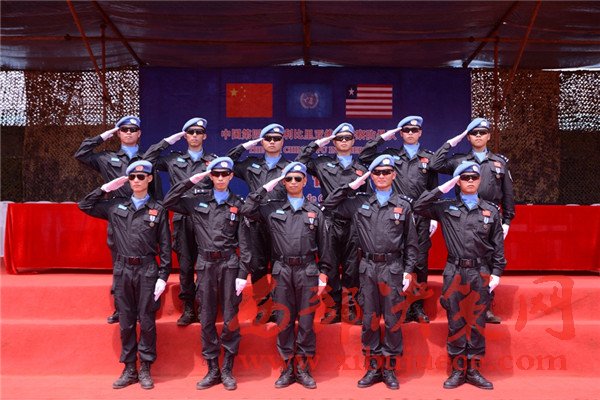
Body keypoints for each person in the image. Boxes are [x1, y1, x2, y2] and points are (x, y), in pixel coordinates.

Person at [322, 154, 418, 390]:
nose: (382, 176)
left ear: (394, 175)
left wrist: (408, 271)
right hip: (367, 268)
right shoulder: (359, 202)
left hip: (393, 267)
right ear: (370, 176)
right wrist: (351, 186)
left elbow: (411, 243)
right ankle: (373, 366)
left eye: (386, 172)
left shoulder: (403, 205)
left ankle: (390, 368)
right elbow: (329, 204)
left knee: (393, 319)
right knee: (370, 318)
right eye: (377, 173)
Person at [78, 160, 172, 390]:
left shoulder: (158, 209)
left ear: (149, 179)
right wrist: (105, 189)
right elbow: (84, 205)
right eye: (132, 177)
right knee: (127, 322)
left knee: (147, 321)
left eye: (141, 177)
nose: (136, 181)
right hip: (122, 270)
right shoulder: (115, 206)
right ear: (127, 181)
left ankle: (146, 368)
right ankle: (130, 368)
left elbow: (165, 247)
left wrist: (163, 276)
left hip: (147, 270)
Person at [413, 161, 506, 390]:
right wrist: (442, 188)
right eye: (465, 178)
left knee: (477, 322)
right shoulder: (446, 208)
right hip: (454, 271)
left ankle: (473, 370)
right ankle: (457, 369)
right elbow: (418, 206)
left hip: (480, 271)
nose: (470, 181)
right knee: (456, 321)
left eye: (474, 177)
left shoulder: (491, 211)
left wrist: (496, 272)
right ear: (458, 181)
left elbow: (498, 246)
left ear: (480, 180)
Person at [241, 162, 332, 389]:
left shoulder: (315, 211)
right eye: (288, 179)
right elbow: (247, 209)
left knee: (307, 321)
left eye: (297, 178)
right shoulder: (272, 209)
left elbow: (325, 246)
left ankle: (303, 367)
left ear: (305, 181)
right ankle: (287, 366)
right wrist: (267, 187)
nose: (293, 182)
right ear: (283, 182)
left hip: (307, 270)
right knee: (284, 320)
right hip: (282, 271)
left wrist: (324, 273)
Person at [163, 156, 250, 391]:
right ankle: (212, 368)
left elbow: (245, 243)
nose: (220, 178)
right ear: (210, 176)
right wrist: (192, 180)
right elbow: (169, 201)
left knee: (230, 318)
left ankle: (228, 368)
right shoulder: (196, 201)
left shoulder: (238, 204)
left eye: (225, 174)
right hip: (205, 265)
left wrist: (243, 273)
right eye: (216, 174)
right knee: (207, 317)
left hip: (229, 264)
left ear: (231, 176)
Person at [74, 115, 162, 324]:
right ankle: (121, 309)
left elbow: (157, 192)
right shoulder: (107, 158)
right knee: (121, 264)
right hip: (119, 213)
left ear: (139, 133)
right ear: (118, 133)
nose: (128, 133)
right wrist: (104, 135)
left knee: (147, 260)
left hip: (144, 214)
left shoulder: (147, 159)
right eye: (124, 130)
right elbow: (81, 154)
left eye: (133, 130)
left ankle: (146, 307)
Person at [431, 117, 514, 324]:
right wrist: (453, 141)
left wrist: (507, 220)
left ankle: (485, 307)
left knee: (487, 261)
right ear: (468, 137)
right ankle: (457, 303)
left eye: (482, 133)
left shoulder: (499, 162)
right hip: (464, 214)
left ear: (488, 136)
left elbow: (508, 193)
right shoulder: (459, 161)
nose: (478, 136)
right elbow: (435, 164)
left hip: (490, 216)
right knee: (464, 257)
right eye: (474, 133)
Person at [359, 116, 440, 323]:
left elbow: (433, 189)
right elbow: (365, 156)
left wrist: (432, 216)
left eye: (414, 130)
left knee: (419, 263)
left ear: (420, 132)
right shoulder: (391, 156)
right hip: (393, 215)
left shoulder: (428, 158)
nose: (410, 133)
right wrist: (384, 137)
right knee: (396, 261)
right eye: (406, 130)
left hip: (420, 216)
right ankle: (399, 305)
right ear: (400, 133)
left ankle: (417, 307)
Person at [143, 117, 217, 326]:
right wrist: (168, 141)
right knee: (185, 265)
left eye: (198, 132)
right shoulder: (173, 160)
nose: (194, 136)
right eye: (190, 132)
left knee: (205, 264)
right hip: (182, 217)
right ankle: (188, 307)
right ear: (185, 136)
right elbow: (147, 159)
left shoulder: (212, 161)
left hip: (205, 219)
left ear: (204, 136)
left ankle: (203, 306)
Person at [296, 122, 369, 324]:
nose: (343, 141)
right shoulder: (323, 164)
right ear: (333, 142)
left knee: (352, 267)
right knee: (329, 265)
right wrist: (320, 142)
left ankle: (350, 307)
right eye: (339, 138)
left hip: (353, 223)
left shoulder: (361, 169)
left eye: (347, 138)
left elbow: (367, 198)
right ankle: (332, 308)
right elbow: (300, 161)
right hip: (329, 221)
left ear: (353, 141)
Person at [226, 123, 291, 324]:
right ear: (261, 142)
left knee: (280, 266)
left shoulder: (289, 167)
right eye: (267, 139)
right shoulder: (251, 165)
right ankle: (263, 308)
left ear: (282, 141)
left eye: (276, 139)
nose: (272, 142)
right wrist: (246, 146)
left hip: (280, 223)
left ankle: (279, 308)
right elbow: (227, 162)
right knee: (258, 267)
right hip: (255, 222)